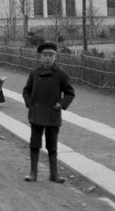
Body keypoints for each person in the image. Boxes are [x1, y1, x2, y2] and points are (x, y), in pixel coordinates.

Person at [21, 41, 76, 183]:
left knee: (52, 144)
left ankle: (54, 174)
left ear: (55, 57)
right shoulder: (34, 73)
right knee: (35, 143)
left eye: (51, 55)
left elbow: (70, 93)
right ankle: (33, 173)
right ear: (40, 57)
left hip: (52, 114)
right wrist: (30, 103)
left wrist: (61, 104)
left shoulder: (61, 74)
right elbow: (26, 90)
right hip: (37, 114)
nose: (47, 58)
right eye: (45, 55)